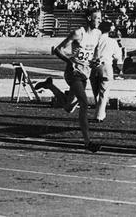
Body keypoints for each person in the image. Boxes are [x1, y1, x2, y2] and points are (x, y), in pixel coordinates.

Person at [50, 8, 102, 152]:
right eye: (96, 17)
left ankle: (50, 86)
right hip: (73, 73)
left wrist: (95, 61)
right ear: (89, 18)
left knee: (68, 107)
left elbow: (93, 53)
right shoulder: (78, 33)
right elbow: (58, 50)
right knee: (84, 103)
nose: (99, 20)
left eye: (100, 18)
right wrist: (70, 61)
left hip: (84, 73)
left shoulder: (98, 34)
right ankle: (87, 142)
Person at [90, 21, 121, 122]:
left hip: (94, 67)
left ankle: (99, 113)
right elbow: (117, 56)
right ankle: (99, 115)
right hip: (106, 66)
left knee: (96, 92)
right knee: (104, 92)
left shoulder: (94, 40)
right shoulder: (112, 41)